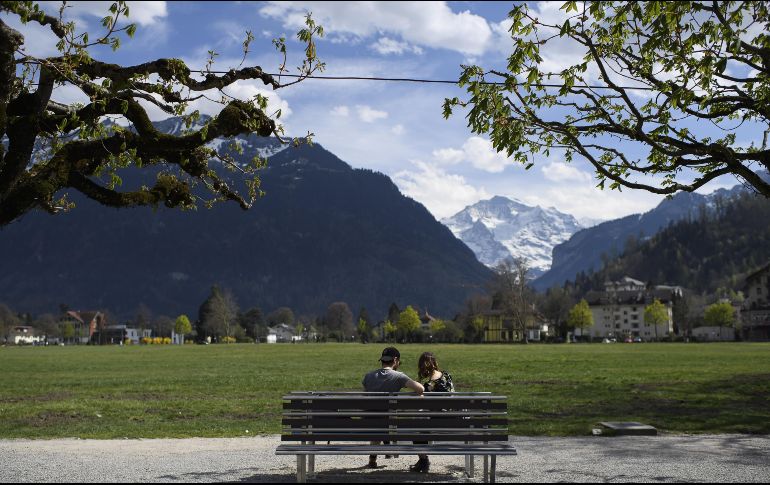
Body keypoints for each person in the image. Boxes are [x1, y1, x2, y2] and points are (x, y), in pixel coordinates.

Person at [362, 347, 424, 469]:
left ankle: (372, 459)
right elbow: (420, 389)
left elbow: (364, 399)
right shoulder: (398, 376)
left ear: (382, 360)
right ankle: (423, 459)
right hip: (391, 424)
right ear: (395, 360)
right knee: (389, 421)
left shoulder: (368, 376)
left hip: (369, 423)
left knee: (377, 420)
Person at [411, 351, 455, 473]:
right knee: (422, 424)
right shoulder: (447, 375)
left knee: (416, 429)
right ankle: (423, 461)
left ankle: (423, 460)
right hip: (453, 418)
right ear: (435, 363)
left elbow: (422, 403)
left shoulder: (429, 385)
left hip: (437, 421)